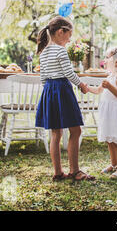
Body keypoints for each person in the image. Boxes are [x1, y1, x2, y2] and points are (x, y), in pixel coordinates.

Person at [35, 16, 95, 182]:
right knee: (76, 130)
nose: (69, 40)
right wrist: (81, 85)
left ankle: (58, 172)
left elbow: (43, 78)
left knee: (56, 133)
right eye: (69, 35)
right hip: (62, 90)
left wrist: (49, 92)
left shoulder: (44, 52)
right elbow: (69, 73)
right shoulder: (60, 50)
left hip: (49, 90)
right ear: (61, 32)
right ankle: (75, 171)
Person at [86, 47, 117, 178]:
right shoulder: (109, 76)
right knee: (109, 139)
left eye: (107, 57)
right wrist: (86, 88)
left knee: (116, 140)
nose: (105, 60)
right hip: (107, 112)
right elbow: (98, 90)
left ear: (116, 61)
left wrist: (109, 87)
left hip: (115, 111)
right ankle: (113, 164)